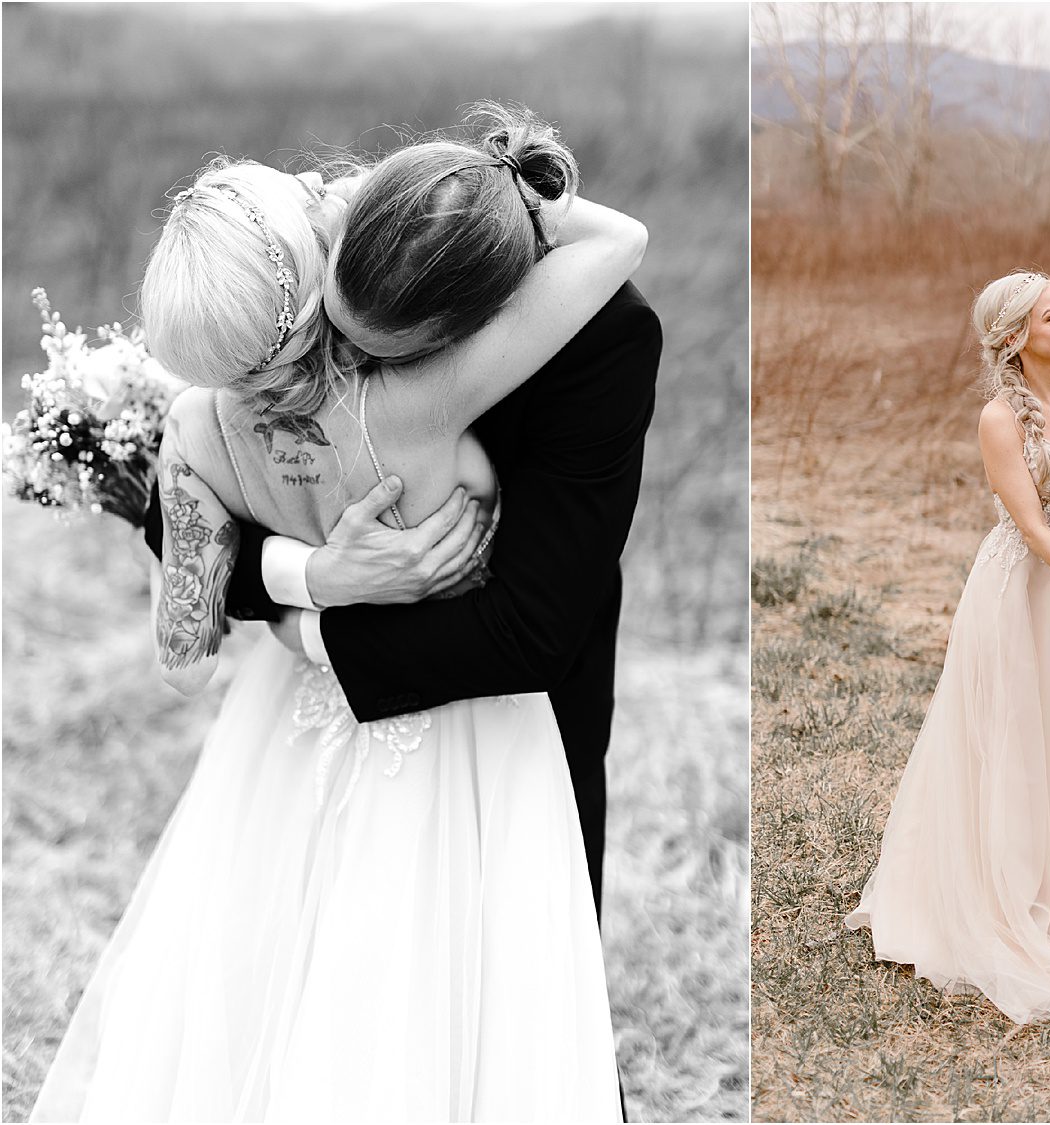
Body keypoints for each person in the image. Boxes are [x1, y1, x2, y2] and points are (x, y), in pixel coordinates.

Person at [31, 105, 648, 1121]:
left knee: (276, 968)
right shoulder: (421, 395)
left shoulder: (193, 430)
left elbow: (183, 653)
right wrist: (314, 579)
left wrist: (292, 599)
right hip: (476, 741)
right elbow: (618, 238)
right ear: (310, 263)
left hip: (317, 714)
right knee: (459, 987)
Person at [844, 270, 1050, 1024]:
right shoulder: (999, 419)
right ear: (1017, 337)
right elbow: (1035, 526)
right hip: (1028, 591)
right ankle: (1006, 896)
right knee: (1021, 734)